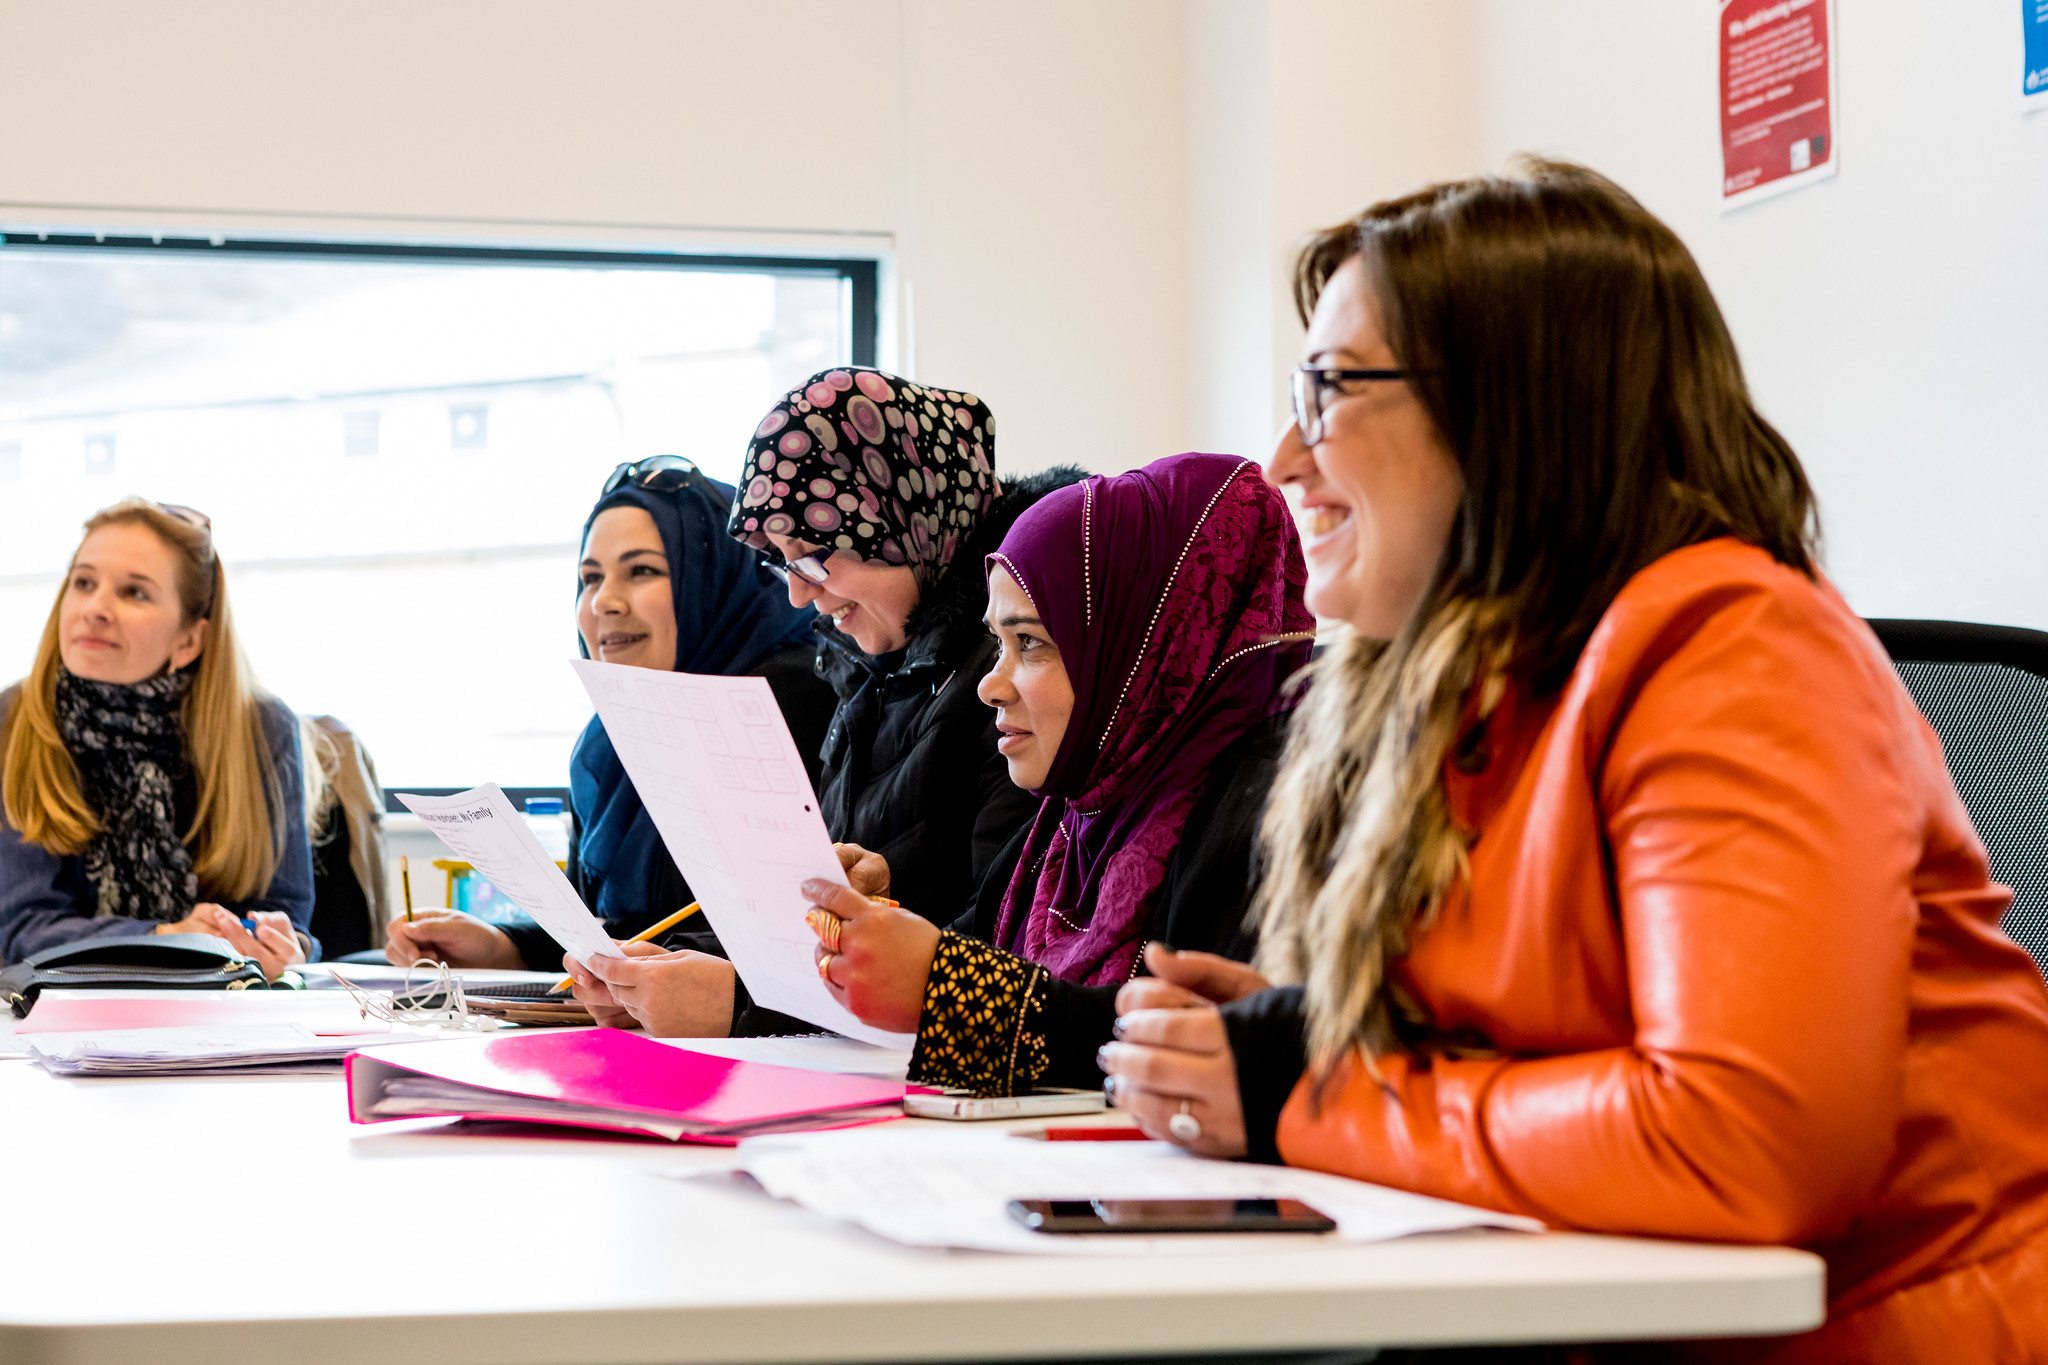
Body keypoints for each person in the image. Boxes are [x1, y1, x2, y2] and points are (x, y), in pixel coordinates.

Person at [1096, 160, 2048, 1362]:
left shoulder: (1734, 646)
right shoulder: (1478, 685)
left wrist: (1314, 1095)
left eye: (1329, 388)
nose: (1285, 456)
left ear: (1511, 409)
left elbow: (1739, 1141)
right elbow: (1563, 1040)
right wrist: (1307, 1038)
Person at [568, 368, 1080, 1035]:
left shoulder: (1010, 688)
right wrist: (678, 967)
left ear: (900, 522)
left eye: (813, 555)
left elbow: (1002, 952)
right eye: (784, 562)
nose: (797, 594)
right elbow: (832, 920)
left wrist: (741, 1001)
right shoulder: (860, 679)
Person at [794, 452, 1314, 1096]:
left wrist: (948, 990)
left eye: (1031, 643)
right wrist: (866, 926)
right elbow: (962, 959)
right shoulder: (1069, 824)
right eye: (998, 643)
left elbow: (1221, 1045)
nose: (990, 685)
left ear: (1142, 645)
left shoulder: (1266, 819)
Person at [385, 456, 835, 971]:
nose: (604, 603)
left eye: (641, 571)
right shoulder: (606, 742)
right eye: (591, 578)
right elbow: (607, 933)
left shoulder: (789, 699)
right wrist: (502, 947)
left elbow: (792, 940)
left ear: (712, 579)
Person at [0, 499, 314, 977]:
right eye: (83, 583)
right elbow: (21, 928)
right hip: (55, 1006)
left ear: (189, 640)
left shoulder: (262, 729)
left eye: (135, 592)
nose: (95, 609)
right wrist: (164, 938)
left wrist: (280, 945)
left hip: (225, 1004)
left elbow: (287, 915)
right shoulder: (15, 719)